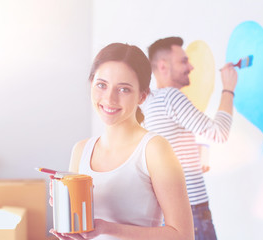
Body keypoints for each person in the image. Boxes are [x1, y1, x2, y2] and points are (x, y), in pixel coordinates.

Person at [50, 43, 194, 240]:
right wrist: (66, 212)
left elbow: (183, 235)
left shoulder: (154, 149)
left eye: (124, 89)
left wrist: (107, 228)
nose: (109, 98)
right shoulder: (81, 150)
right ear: (91, 84)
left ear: (142, 96)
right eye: (101, 85)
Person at [141, 37, 238, 240]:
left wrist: (195, 150)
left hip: (166, 213)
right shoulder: (171, 97)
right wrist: (228, 88)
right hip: (192, 209)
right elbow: (219, 132)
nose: (191, 66)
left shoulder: (149, 102)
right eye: (184, 61)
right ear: (163, 66)